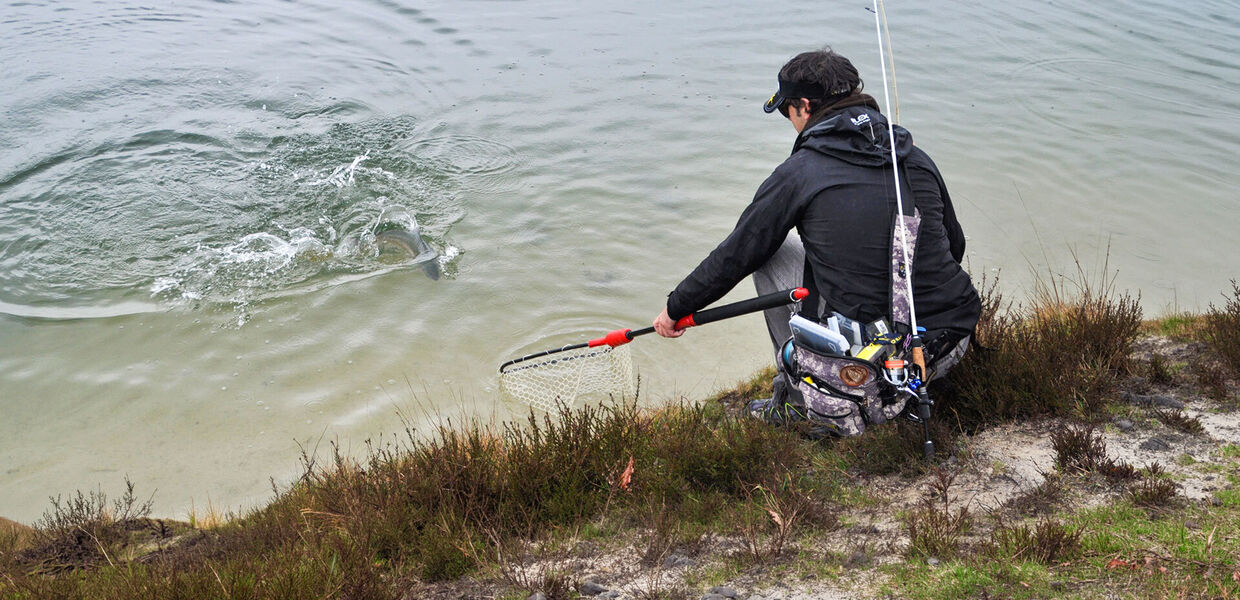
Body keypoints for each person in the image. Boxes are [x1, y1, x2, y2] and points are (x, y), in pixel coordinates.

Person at [652, 48, 980, 425]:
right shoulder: (914, 157)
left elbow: (737, 254)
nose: (790, 122)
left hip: (871, 359)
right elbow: (955, 246)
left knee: (770, 254)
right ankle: (917, 382)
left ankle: (796, 394)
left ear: (805, 107)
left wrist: (676, 308)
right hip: (952, 342)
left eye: (787, 111)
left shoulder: (800, 172)